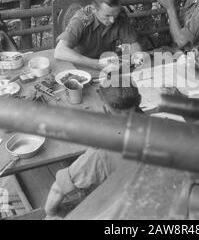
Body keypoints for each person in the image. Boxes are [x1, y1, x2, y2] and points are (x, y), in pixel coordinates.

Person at [44, 80, 142, 219]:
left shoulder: (102, 152)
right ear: (139, 101)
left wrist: (51, 214)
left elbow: (58, 189)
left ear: (105, 109)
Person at [54, 0, 142, 71]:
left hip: (108, 64)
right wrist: (95, 64)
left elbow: (132, 43)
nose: (112, 20)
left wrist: (137, 56)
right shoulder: (82, 19)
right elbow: (59, 51)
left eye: (115, 15)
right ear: (94, 9)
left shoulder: (120, 15)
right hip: (81, 66)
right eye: (107, 16)